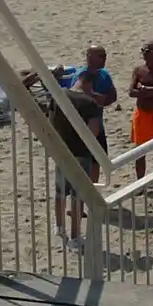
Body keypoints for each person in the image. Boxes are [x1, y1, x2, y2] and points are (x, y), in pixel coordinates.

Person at [51, 88, 105, 251]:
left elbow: (51, 121)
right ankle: (75, 237)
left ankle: (59, 227)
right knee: (77, 196)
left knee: (60, 192)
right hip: (81, 153)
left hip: (62, 150)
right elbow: (93, 132)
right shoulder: (90, 103)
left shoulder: (60, 94)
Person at [128, 40, 153, 178]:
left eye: (147, 51)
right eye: (142, 50)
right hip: (142, 113)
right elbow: (131, 92)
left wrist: (143, 89)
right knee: (140, 151)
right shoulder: (139, 70)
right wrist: (149, 91)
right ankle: (140, 181)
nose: (144, 53)